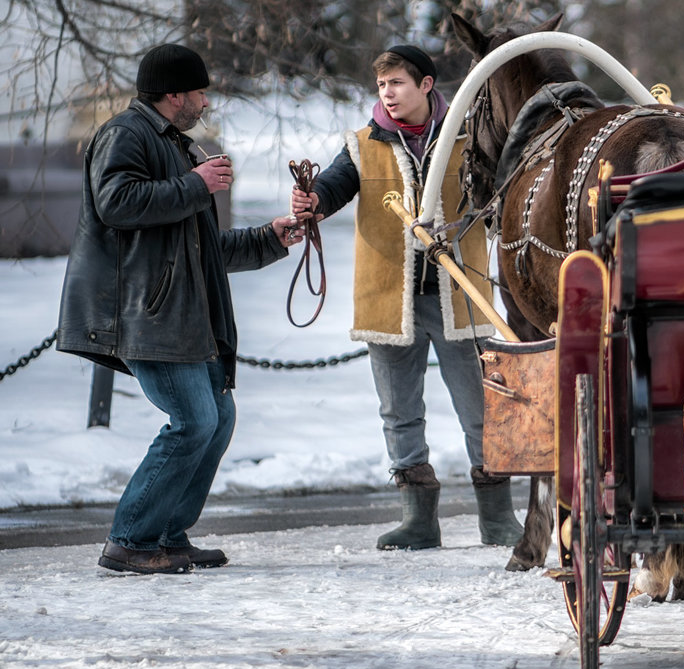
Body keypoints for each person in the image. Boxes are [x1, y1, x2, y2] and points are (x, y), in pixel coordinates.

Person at [57, 43, 303, 574]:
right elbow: (116, 204)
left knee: (217, 416)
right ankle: (130, 540)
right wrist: (195, 184)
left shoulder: (172, 143)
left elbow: (202, 248)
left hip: (182, 314)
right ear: (173, 94)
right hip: (146, 312)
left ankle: (167, 532)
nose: (205, 103)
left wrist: (271, 239)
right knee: (193, 420)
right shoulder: (126, 134)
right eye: (199, 92)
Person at [290, 45, 523, 551]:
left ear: (425, 85)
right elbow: (334, 186)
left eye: (397, 83)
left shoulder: (466, 137)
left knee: (481, 408)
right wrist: (314, 201)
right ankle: (419, 520)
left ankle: (497, 518)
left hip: (460, 296)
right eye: (381, 86)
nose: (388, 94)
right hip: (388, 297)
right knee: (399, 411)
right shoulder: (363, 144)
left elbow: (500, 191)